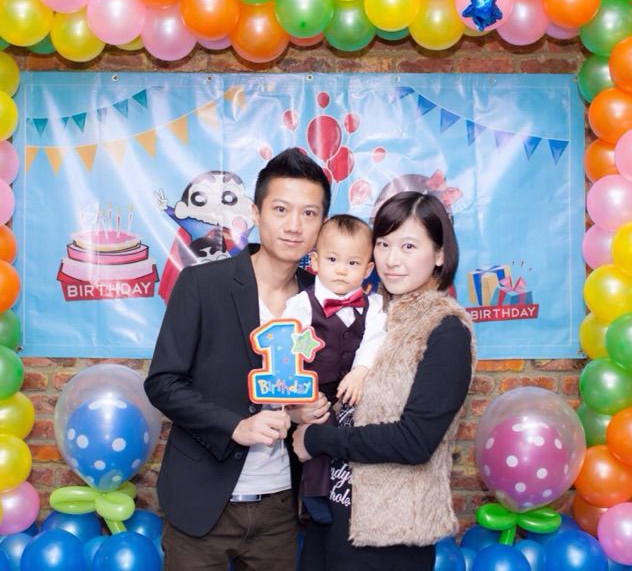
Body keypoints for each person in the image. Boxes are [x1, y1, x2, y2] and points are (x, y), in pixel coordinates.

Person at [144, 148, 332, 571]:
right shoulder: (202, 284)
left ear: (321, 224)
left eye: (309, 213)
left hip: (280, 508)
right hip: (201, 503)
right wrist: (236, 426)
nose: (294, 225)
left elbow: (332, 383)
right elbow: (163, 383)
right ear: (255, 213)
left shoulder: (319, 298)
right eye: (281, 209)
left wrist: (306, 411)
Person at [293, 191, 476, 571]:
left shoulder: (445, 329)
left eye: (409, 246)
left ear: (439, 254)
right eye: (384, 244)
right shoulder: (371, 313)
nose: (392, 259)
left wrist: (316, 439)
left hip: (389, 536)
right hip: (332, 514)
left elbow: (415, 440)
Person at [282, 215, 386, 530]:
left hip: (353, 388)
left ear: (368, 269)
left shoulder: (374, 307)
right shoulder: (301, 305)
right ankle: (314, 495)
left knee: (361, 432)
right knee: (319, 426)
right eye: (332, 259)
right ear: (314, 261)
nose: (341, 270)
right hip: (314, 389)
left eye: (353, 263)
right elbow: (285, 349)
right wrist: (298, 395)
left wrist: (361, 371)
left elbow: (374, 341)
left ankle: (354, 496)